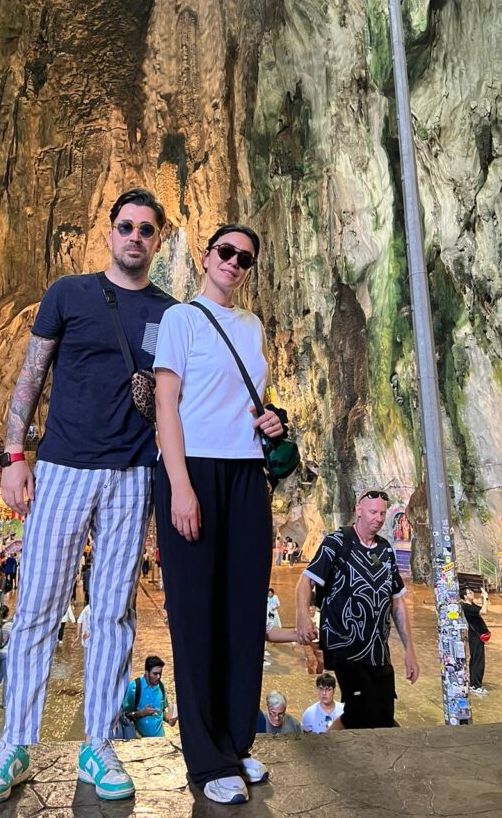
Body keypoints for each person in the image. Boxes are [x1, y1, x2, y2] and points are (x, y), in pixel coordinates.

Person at [0, 189, 175, 806]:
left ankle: (99, 743)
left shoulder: (171, 313)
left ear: (158, 240)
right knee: (37, 605)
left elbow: (174, 401)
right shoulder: (68, 294)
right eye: (125, 226)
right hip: (60, 468)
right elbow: (29, 377)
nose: (134, 236)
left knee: (113, 612)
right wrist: (13, 458)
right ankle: (15, 744)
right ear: (109, 233)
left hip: (133, 474)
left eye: (146, 229)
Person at [154, 223, 287, 806]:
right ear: (207, 257)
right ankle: (206, 762)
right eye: (226, 252)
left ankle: (237, 742)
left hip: (246, 474)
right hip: (195, 472)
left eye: (245, 258)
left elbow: (246, 402)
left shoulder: (253, 327)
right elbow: (166, 403)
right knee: (194, 614)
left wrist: (273, 420)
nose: (234, 262)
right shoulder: (181, 320)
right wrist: (180, 486)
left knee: (241, 612)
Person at [295, 489, 419, 730]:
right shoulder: (337, 542)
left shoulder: (385, 551)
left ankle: (360, 756)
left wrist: (410, 651)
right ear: (358, 510)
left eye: (383, 513)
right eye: (373, 512)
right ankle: (331, 752)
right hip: (344, 644)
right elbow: (305, 581)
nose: (379, 518)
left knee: (383, 714)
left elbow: (397, 602)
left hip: (377, 650)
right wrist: (302, 617)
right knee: (361, 708)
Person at [120, 656, 177, 738]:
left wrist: (169, 720)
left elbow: (161, 711)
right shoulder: (134, 687)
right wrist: (141, 713)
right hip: (141, 741)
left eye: (160, 673)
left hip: (160, 739)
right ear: (146, 672)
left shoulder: (161, 686)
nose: (158, 677)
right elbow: (124, 716)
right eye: (155, 674)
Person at [461, 586, 490, 695]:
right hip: (475, 635)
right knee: (478, 660)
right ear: (465, 596)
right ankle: (476, 685)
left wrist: (483, 598)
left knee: (476, 659)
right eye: (469, 593)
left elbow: (483, 606)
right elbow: (484, 611)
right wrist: (485, 598)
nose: (472, 593)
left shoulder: (471, 605)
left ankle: (474, 682)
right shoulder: (467, 607)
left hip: (476, 635)